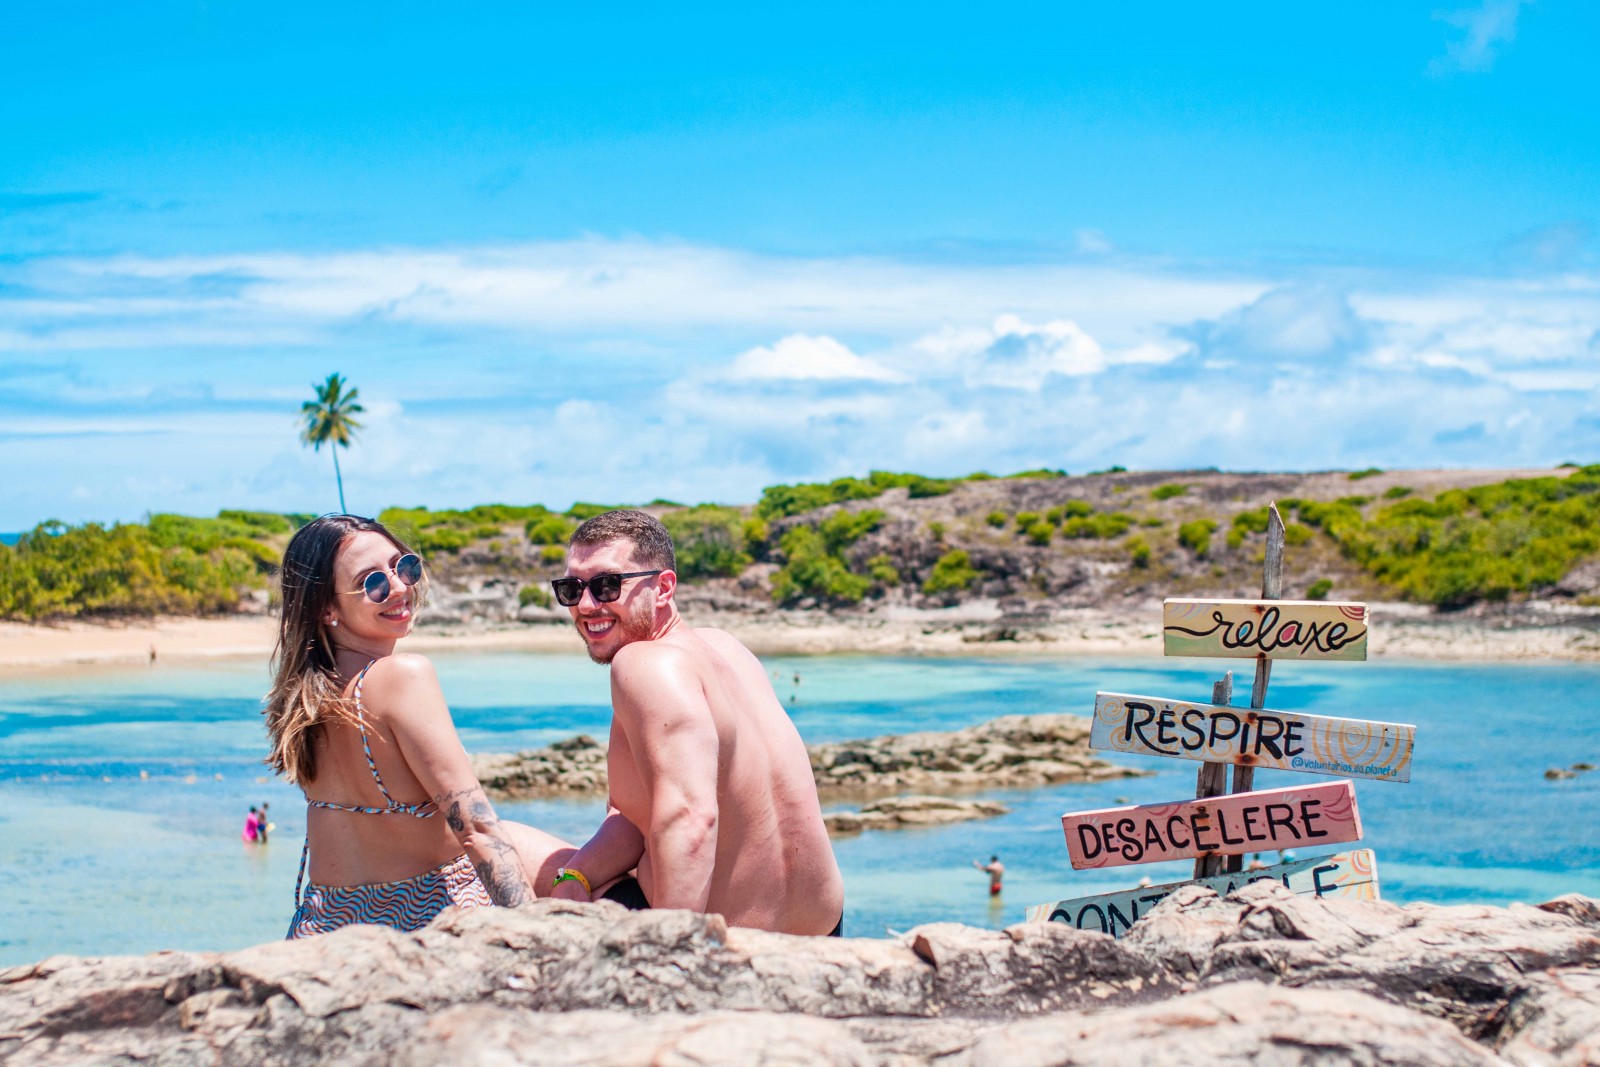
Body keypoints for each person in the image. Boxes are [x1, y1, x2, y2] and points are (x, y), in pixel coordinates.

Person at [265, 515, 572, 939]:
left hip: (325, 921)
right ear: (327, 608)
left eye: (404, 566)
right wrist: (534, 936)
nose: (398, 586)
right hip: (422, 913)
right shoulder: (401, 676)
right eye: (372, 582)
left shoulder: (305, 699)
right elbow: (478, 829)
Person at [545, 510, 844, 936]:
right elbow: (639, 819)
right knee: (562, 873)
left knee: (509, 848)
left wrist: (672, 956)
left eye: (608, 585)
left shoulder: (641, 664)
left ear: (664, 587)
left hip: (735, 942)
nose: (587, 605)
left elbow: (690, 816)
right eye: (571, 589)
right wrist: (575, 877)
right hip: (824, 932)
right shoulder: (723, 647)